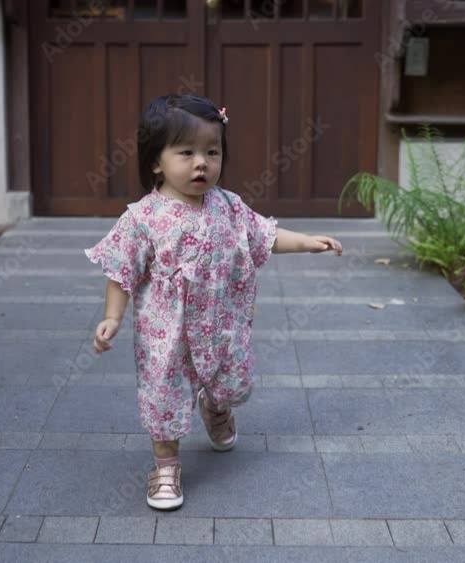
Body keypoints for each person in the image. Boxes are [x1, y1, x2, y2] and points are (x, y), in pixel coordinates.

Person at [85, 94, 343, 510]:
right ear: (156, 161)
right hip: (165, 337)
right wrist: (112, 317)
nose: (201, 162)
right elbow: (121, 271)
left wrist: (308, 242)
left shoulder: (229, 207)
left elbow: (266, 235)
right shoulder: (142, 219)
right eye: (186, 153)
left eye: (212, 152)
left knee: (232, 381)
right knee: (163, 396)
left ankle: (216, 407)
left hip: (222, 325)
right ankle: (165, 466)